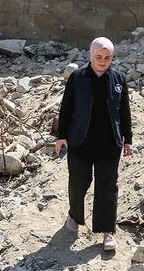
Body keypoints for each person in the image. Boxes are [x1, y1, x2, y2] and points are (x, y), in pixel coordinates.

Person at [55, 37, 133, 251]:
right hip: (80, 142)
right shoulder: (78, 77)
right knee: (78, 182)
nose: (102, 61)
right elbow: (66, 107)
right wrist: (61, 136)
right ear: (91, 55)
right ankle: (74, 216)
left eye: (107, 58)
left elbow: (124, 112)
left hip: (109, 145)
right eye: (98, 57)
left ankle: (107, 230)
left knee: (107, 187)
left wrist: (128, 139)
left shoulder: (118, 79)